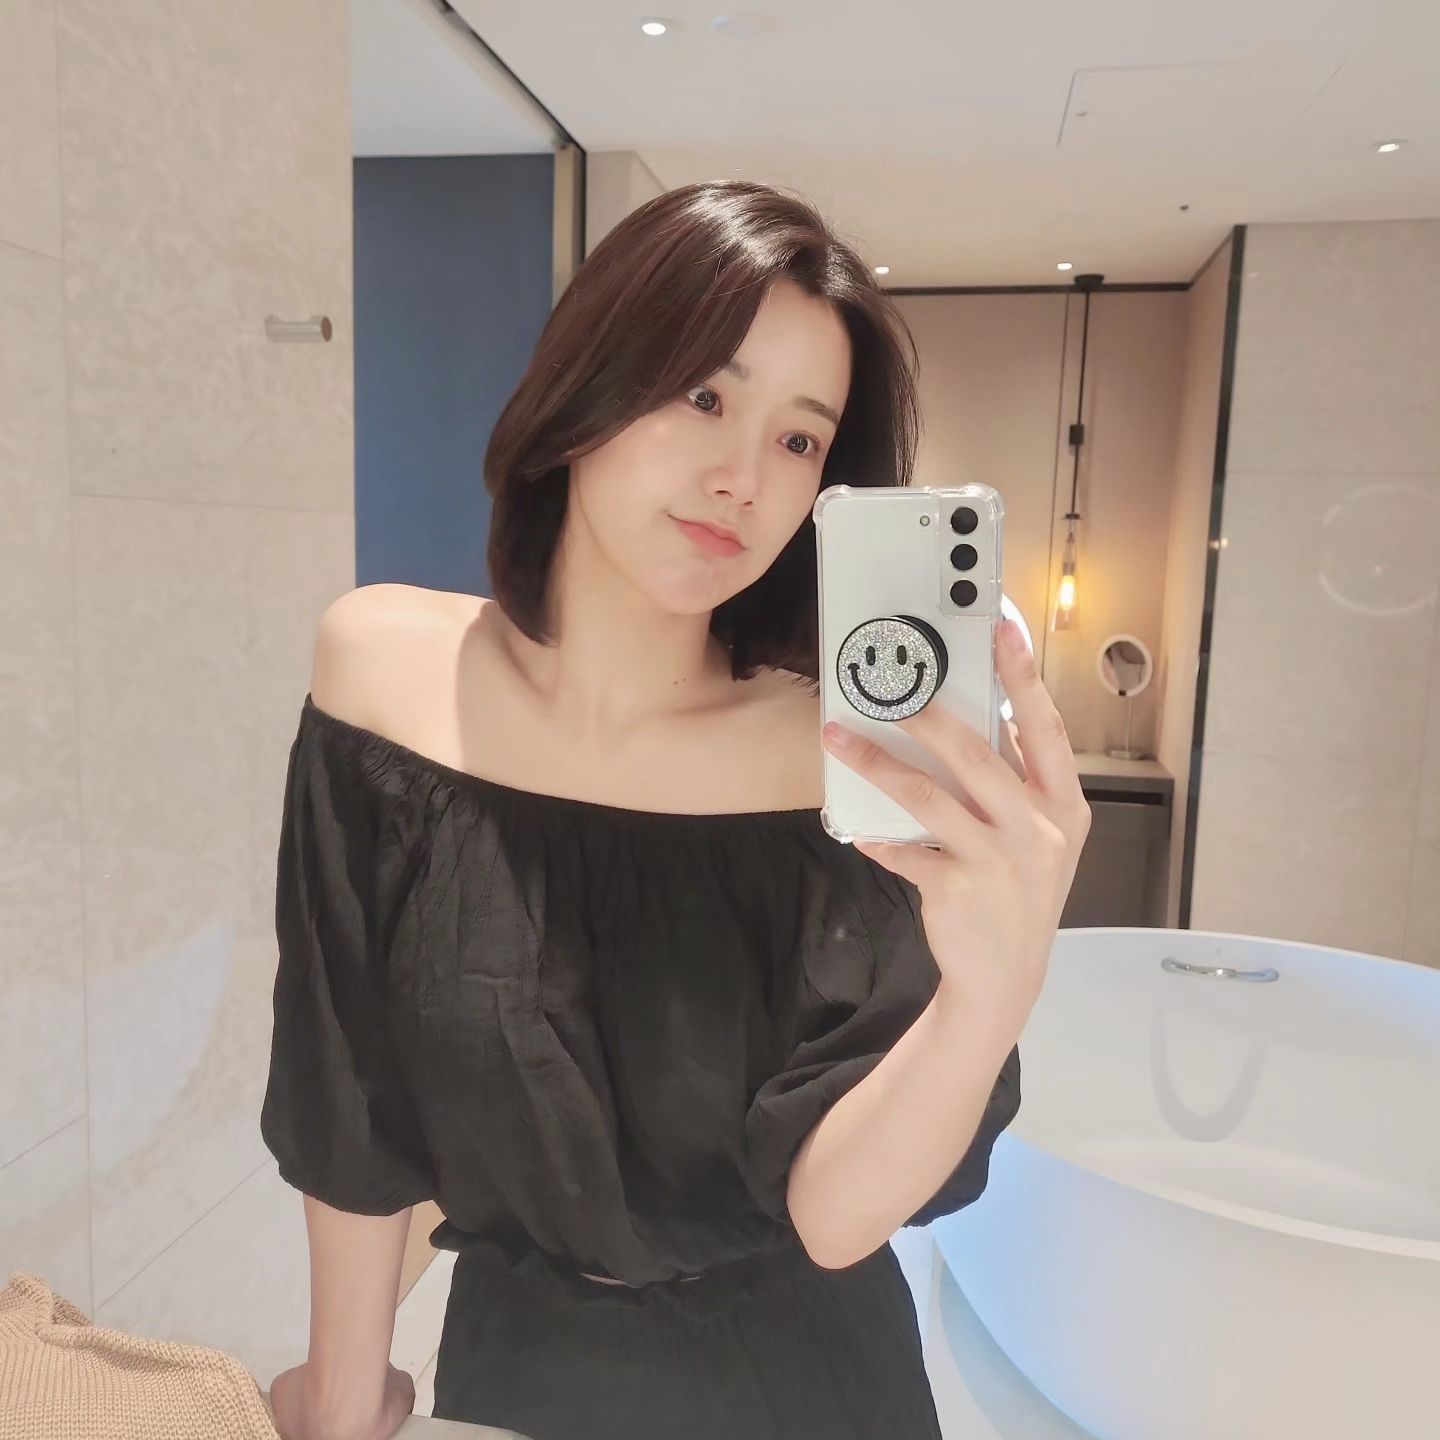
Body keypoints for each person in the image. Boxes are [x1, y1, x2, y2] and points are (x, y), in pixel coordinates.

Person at [260, 180, 1090, 1440]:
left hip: (808, 1388)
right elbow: (350, 1091)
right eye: (705, 396)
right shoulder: (384, 677)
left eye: (800, 442)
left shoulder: (834, 761)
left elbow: (834, 1215)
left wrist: (992, 994)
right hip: (516, 1371)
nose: (742, 479)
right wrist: (342, 1395)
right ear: (588, 381)